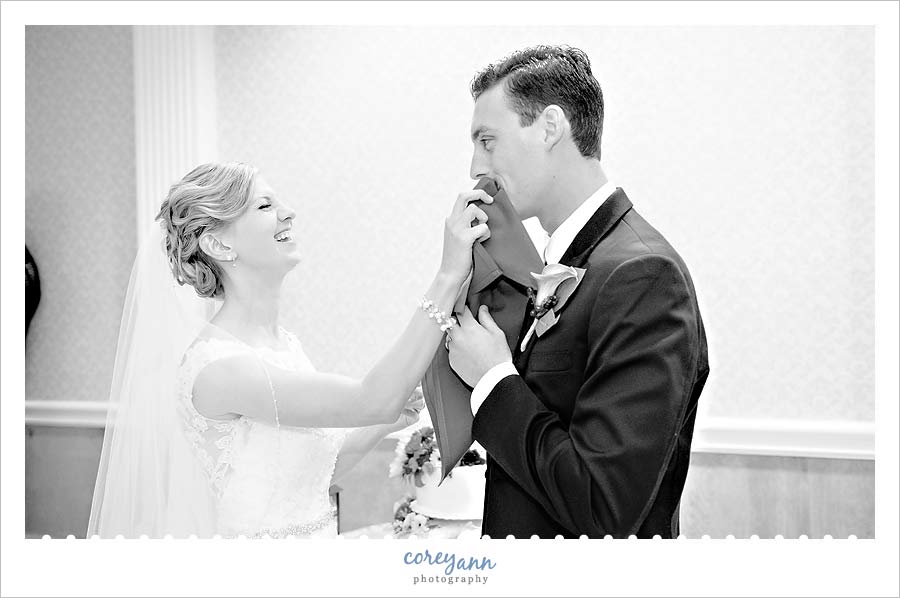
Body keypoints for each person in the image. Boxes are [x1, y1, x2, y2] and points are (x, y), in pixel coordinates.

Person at [87, 162, 493, 538]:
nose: (289, 212)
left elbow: (317, 470)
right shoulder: (219, 368)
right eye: (265, 205)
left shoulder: (284, 345)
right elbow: (373, 398)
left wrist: (390, 420)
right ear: (218, 244)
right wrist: (447, 273)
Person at [447, 45, 710, 539]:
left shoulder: (644, 276)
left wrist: (493, 380)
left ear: (550, 127)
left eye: (488, 140)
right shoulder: (562, 262)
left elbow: (602, 504)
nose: (475, 167)